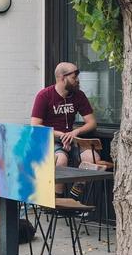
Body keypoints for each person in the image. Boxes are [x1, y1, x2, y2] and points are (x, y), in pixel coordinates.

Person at [31, 62, 97, 198]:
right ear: (62, 77)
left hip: (72, 139)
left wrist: (75, 132)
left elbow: (91, 123)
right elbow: (35, 125)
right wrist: (60, 135)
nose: (77, 80)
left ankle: (74, 196)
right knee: (60, 160)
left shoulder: (79, 96)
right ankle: (57, 202)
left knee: (93, 158)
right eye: (74, 77)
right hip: (52, 141)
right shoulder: (44, 96)